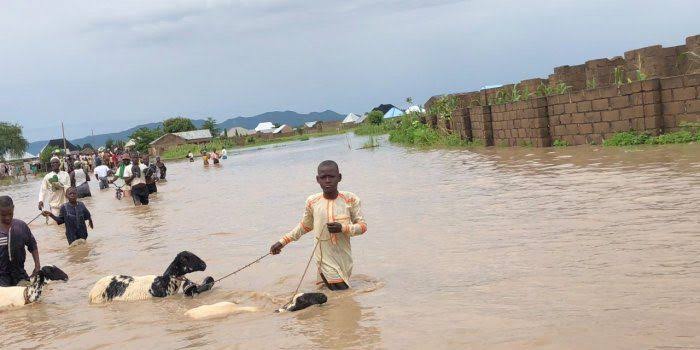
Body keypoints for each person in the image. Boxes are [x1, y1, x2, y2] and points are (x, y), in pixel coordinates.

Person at [269, 160, 367, 291]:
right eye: (323, 177)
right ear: (317, 179)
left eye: (331, 176)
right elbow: (305, 226)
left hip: (344, 258)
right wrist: (282, 242)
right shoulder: (312, 202)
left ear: (339, 178)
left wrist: (343, 228)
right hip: (324, 259)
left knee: (334, 297)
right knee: (341, 292)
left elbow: (362, 227)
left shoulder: (351, 199)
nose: (327, 180)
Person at [0, 196, 41, 287]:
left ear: (13, 208)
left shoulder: (21, 226)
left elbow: (32, 246)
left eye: (10, 214)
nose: (7, 218)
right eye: (3, 215)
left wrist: (37, 266)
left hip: (20, 274)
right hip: (2, 277)